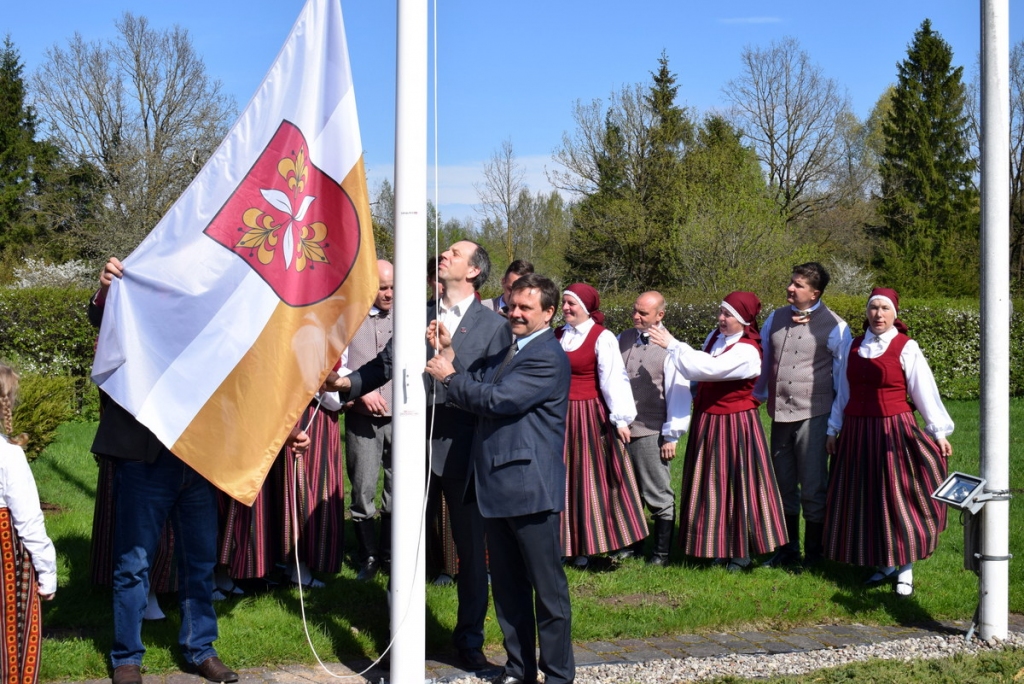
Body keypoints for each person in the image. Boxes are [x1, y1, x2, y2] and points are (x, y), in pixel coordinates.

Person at [91, 258, 309, 684]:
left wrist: (282, 430)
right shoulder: (141, 290)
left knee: (200, 561)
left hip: (199, 455)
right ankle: (127, 659)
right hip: (144, 455)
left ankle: (199, 649)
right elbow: (104, 316)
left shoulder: (211, 309)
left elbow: (249, 374)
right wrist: (106, 288)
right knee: (133, 561)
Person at [425, 273, 574, 684]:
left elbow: (499, 399)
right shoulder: (510, 351)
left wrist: (449, 379)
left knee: (547, 592)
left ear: (549, 313)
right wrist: (452, 353)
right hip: (497, 487)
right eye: (513, 305)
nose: (516, 313)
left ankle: (559, 676)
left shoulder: (545, 355)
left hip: (530, 487)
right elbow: (478, 381)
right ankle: (519, 669)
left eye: (528, 308)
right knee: (508, 590)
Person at [823, 288, 953, 597]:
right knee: (866, 498)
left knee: (899, 497)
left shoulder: (906, 347)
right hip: (856, 432)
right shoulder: (853, 346)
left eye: (884, 309)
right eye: (873, 308)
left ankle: (905, 567)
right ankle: (883, 562)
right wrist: (833, 428)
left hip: (892, 430)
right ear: (866, 313)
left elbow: (923, 390)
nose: (878, 314)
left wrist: (938, 431)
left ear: (895, 314)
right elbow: (844, 392)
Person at [649, 292, 787, 571]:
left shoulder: (748, 350)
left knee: (739, 486)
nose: (721, 319)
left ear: (744, 320)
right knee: (710, 485)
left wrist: (673, 344)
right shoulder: (715, 337)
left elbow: (705, 368)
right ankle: (714, 546)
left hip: (736, 424)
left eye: (728, 315)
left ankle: (741, 552)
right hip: (709, 421)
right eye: (721, 312)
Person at [426, 240, 510, 670]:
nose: (444, 255)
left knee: (471, 553)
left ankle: (469, 640)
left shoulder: (493, 327)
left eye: (455, 253)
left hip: (463, 449)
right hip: (412, 448)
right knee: (405, 547)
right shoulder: (417, 312)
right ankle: (402, 634)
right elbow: (386, 365)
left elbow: (491, 392)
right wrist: (345, 386)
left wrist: (449, 362)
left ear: (474, 271)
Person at [754, 262, 850, 569]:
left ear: (815, 292)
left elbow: (841, 379)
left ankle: (815, 555)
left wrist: (835, 425)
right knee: (783, 484)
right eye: (791, 282)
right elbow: (766, 360)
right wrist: (757, 395)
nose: (790, 288)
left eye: (797, 285)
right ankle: (787, 550)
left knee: (812, 485)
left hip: (815, 414)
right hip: (779, 413)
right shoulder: (775, 317)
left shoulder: (836, 326)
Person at [556, 283, 647, 567]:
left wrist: (621, 418)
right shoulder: (557, 334)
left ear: (586, 308)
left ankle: (587, 545)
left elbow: (613, 378)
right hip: (557, 414)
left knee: (588, 479)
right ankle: (562, 544)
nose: (566, 308)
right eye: (565, 303)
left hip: (586, 416)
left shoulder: (602, 337)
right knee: (562, 478)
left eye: (572, 304)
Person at [616, 291, 691, 565]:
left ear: (660, 315)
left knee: (657, 491)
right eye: (634, 310)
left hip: (652, 429)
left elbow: (677, 394)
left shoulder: (672, 348)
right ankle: (633, 545)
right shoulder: (621, 338)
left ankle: (661, 552)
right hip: (623, 428)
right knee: (628, 490)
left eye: (643, 313)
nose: (636, 316)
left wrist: (671, 435)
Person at [0, 364, 56, 684]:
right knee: (10, 628)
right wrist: (47, 572)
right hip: (6, 557)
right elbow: (29, 521)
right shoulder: (8, 455)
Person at [343, 259, 395, 581]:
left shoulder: (408, 317)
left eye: (392, 287)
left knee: (397, 486)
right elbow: (335, 360)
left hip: (401, 417)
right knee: (363, 486)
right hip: (362, 417)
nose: (388, 294)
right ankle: (369, 556)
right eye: (382, 288)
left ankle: (391, 554)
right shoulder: (349, 317)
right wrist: (359, 393)